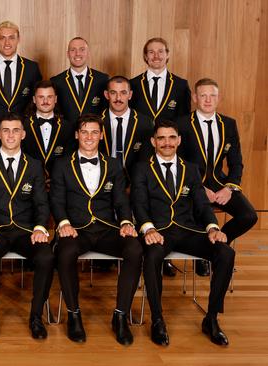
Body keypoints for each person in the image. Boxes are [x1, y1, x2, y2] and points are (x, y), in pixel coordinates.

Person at [131, 119, 235, 346]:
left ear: (178, 141)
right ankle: (158, 319)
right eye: (161, 138)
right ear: (153, 141)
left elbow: (202, 204)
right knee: (152, 256)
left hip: (187, 230)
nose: (166, 143)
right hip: (157, 231)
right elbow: (138, 203)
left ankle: (212, 318)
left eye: (171, 138)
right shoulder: (141, 169)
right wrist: (147, 228)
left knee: (225, 253)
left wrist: (213, 228)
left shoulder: (191, 169)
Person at [50, 114, 142, 345]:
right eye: (84, 132)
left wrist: (126, 223)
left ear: (101, 135)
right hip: (76, 228)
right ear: (76, 135)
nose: (89, 137)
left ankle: (120, 315)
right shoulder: (61, 165)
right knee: (65, 252)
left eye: (94, 132)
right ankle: (74, 314)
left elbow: (121, 201)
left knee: (134, 249)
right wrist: (63, 224)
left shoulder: (113, 165)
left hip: (106, 228)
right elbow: (57, 201)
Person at [0, 112, 53, 339]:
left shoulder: (35, 165)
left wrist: (40, 227)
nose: (10, 135)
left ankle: (36, 317)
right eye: (6, 130)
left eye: (15, 130)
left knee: (46, 257)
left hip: (26, 231)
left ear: (23, 134)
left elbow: (41, 202)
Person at [178, 78, 257, 276]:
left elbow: (236, 162)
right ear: (195, 98)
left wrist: (229, 188)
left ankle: (216, 244)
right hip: (192, 185)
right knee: (197, 214)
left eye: (212, 95)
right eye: (203, 95)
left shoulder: (228, 124)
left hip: (220, 184)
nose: (207, 100)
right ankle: (203, 254)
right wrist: (199, 188)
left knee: (249, 215)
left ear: (218, 98)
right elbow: (178, 162)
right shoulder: (182, 123)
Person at [0, 21, 42, 118]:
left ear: (18, 39)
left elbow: (37, 101)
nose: (7, 43)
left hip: (23, 128)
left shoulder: (31, 68)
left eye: (11, 38)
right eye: (2, 38)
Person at [99, 76, 154, 183]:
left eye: (123, 93)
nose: (118, 98)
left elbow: (148, 159)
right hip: (102, 181)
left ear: (130, 95)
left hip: (135, 182)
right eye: (113, 93)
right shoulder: (96, 121)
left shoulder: (145, 122)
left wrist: (136, 184)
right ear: (106, 95)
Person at [22, 80, 75, 185]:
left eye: (49, 97)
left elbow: (69, 159)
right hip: (29, 183)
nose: (45, 101)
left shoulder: (67, 127)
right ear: (34, 99)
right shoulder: (23, 125)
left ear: (55, 99)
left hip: (59, 184)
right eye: (41, 97)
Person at [50, 37, 109, 127]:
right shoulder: (56, 81)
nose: (77, 54)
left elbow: (107, 111)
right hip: (66, 137)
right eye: (73, 50)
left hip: (94, 137)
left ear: (88, 53)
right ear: (68, 54)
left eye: (82, 49)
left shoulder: (102, 79)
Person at [130, 37, 190, 122]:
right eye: (151, 52)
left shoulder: (181, 85)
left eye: (160, 51)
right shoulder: (133, 84)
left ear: (167, 54)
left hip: (169, 135)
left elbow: (184, 120)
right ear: (146, 56)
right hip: (140, 135)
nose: (156, 56)